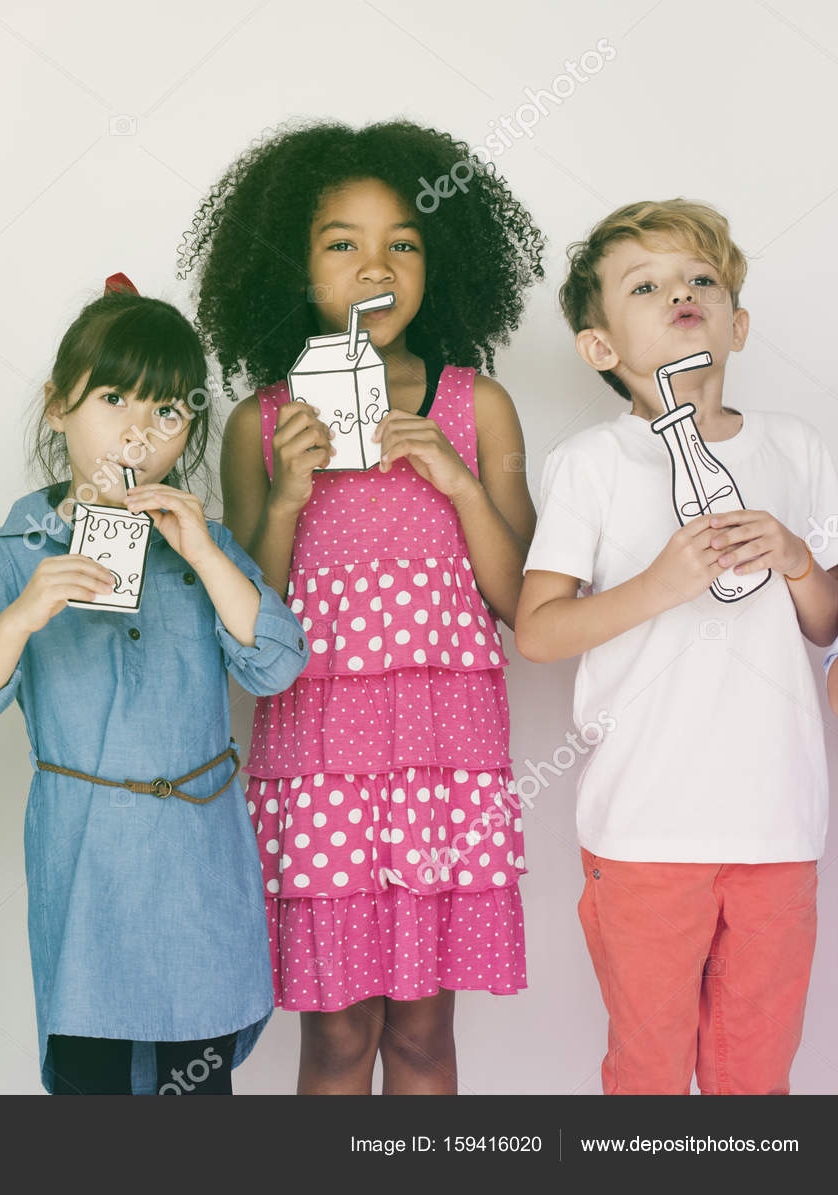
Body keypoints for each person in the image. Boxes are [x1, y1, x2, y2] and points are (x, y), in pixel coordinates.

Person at [180, 119, 543, 1094]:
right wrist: (290, 494)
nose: (374, 265)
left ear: (439, 266)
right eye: (342, 242)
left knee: (423, 1040)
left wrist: (458, 480)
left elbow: (522, 602)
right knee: (337, 1043)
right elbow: (241, 623)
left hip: (442, 761)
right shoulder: (263, 422)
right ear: (296, 270)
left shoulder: (478, 405)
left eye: (404, 243)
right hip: (320, 762)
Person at [0, 276, 308, 1094]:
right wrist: (27, 611)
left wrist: (208, 553)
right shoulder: (14, 546)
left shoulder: (200, 544)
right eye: (114, 398)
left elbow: (278, 662)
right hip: (85, 864)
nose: (139, 430)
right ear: (58, 405)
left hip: (199, 866)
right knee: (91, 1077)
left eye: (169, 411)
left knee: (198, 1083)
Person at [516, 198, 838, 1094]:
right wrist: (657, 585)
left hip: (779, 825)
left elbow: (827, 625)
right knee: (649, 1071)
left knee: (756, 1076)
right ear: (599, 348)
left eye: (702, 279)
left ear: (736, 323)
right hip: (645, 828)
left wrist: (800, 559)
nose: (680, 293)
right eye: (646, 285)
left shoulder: (798, 448)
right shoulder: (592, 463)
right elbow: (539, 629)